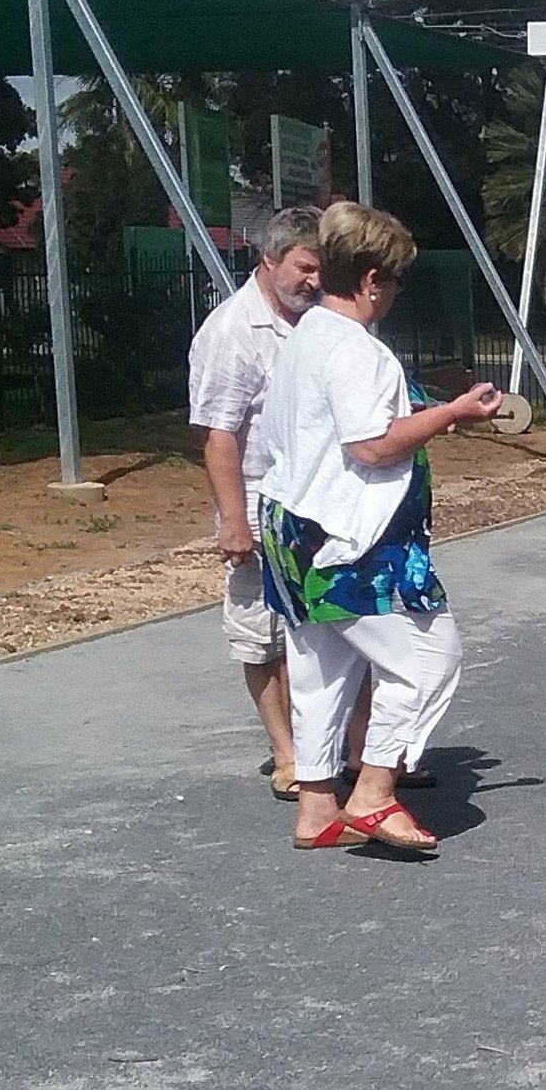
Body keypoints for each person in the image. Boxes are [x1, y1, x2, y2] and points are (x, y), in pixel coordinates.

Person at [256, 201, 500, 854]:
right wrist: (451, 413)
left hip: (290, 525)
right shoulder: (357, 349)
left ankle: (316, 808)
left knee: (321, 666)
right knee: (427, 654)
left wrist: (431, 401)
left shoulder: (306, 334)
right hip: (346, 536)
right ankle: (373, 790)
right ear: (369, 280)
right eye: (393, 281)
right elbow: (371, 445)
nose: (393, 294)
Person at [187, 205, 324, 797]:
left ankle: (340, 745)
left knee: (326, 630)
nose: (314, 282)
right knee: (262, 635)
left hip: (316, 506)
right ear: (268, 260)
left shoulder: (319, 322)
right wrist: (234, 521)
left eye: (322, 269)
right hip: (258, 506)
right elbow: (218, 434)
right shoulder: (231, 332)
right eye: (304, 268)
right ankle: (286, 753)